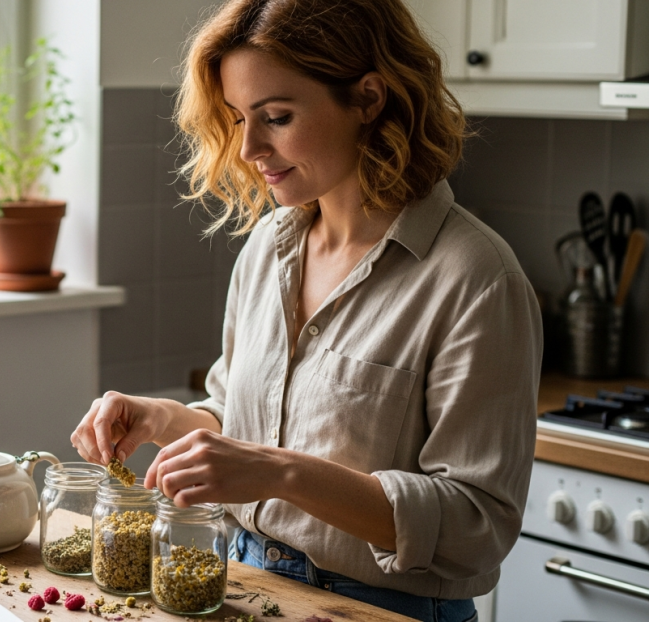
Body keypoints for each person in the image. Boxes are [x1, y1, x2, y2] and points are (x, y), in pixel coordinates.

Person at [70, 1, 542, 620]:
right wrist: (161, 418)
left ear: (368, 98)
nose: (248, 148)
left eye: (277, 117)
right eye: (238, 118)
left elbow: (477, 525)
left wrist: (281, 474)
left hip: (384, 609)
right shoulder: (269, 246)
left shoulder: (476, 278)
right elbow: (243, 429)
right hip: (246, 584)